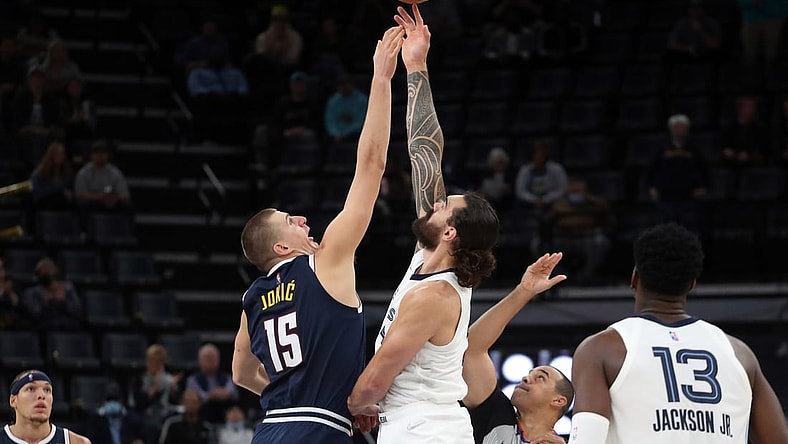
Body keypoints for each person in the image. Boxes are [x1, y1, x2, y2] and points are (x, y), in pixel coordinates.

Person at [231, 25, 404, 444]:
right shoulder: (324, 261)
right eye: (292, 221)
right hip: (318, 430)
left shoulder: (253, 296)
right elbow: (371, 165)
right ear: (279, 246)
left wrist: (284, 396)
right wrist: (381, 80)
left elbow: (240, 372)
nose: (304, 221)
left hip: (269, 430)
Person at [347, 6, 501, 443]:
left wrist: (354, 405)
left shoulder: (435, 295)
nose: (433, 206)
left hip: (425, 429)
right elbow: (424, 153)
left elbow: (377, 378)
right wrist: (416, 66)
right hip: (419, 425)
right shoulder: (430, 261)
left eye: (442, 208)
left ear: (450, 232)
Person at [568, 223, 788, 444]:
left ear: (635, 277)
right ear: (691, 284)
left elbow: (587, 440)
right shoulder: (740, 354)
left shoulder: (602, 349)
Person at [462, 253, 571, 444]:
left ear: (558, 401)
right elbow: (472, 349)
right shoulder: (496, 412)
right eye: (531, 374)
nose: (526, 378)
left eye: (540, 378)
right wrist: (524, 291)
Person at [3, 369, 91, 444]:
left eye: (47, 390)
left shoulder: (76, 442)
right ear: (13, 400)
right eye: (31, 389)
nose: (41, 395)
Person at [132, 344, 182, 444]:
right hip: (145, 415)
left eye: (157, 361)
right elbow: (139, 404)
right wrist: (154, 389)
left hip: (166, 414)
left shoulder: (169, 380)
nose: (153, 364)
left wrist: (172, 390)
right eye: (150, 361)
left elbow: (175, 402)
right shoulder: (140, 380)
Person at [22, 257, 84, 330]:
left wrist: (64, 300)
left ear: (54, 273)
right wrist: (47, 302)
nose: (46, 274)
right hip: (45, 326)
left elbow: (78, 311)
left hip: (68, 325)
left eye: (48, 271)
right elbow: (34, 315)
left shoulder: (68, 288)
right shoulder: (32, 292)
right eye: (43, 272)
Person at [185, 343, 238, 423]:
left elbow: (234, 393)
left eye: (213, 357)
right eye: (207, 358)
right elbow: (193, 396)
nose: (210, 360)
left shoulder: (226, 377)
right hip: (202, 415)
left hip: (225, 414)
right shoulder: (193, 379)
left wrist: (225, 393)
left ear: (218, 359)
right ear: (200, 361)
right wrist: (210, 396)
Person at [74, 139, 131, 213]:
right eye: (97, 153)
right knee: (83, 205)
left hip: (110, 203)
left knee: (127, 206)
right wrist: (99, 197)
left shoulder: (115, 173)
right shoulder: (84, 173)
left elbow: (124, 194)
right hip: (91, 202)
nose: (100, 156)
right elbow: (80, 194)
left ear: (107, 155)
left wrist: (114, 198)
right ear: (92, 155)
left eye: (103, 153)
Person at [30, 141, 74, 209]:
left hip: (61, 204)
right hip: (44, 204)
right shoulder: (40, 172)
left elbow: (69, 189)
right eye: (58, 154)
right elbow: (36, 192)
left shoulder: (66, 171)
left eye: (62, 154)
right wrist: (59, 190)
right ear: (51, 155)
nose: (61, 157)